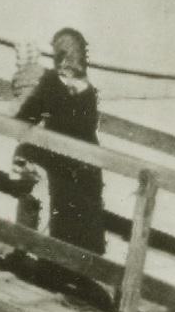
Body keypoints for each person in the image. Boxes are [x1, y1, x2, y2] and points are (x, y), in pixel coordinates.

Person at [13, 28, 106, 257]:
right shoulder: (89, 90)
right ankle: (81, 265)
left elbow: (26, 116)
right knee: (83, 218)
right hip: (87, 166)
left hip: (60, 163)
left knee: (57, 210)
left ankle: (33, 254)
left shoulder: (52, 82)